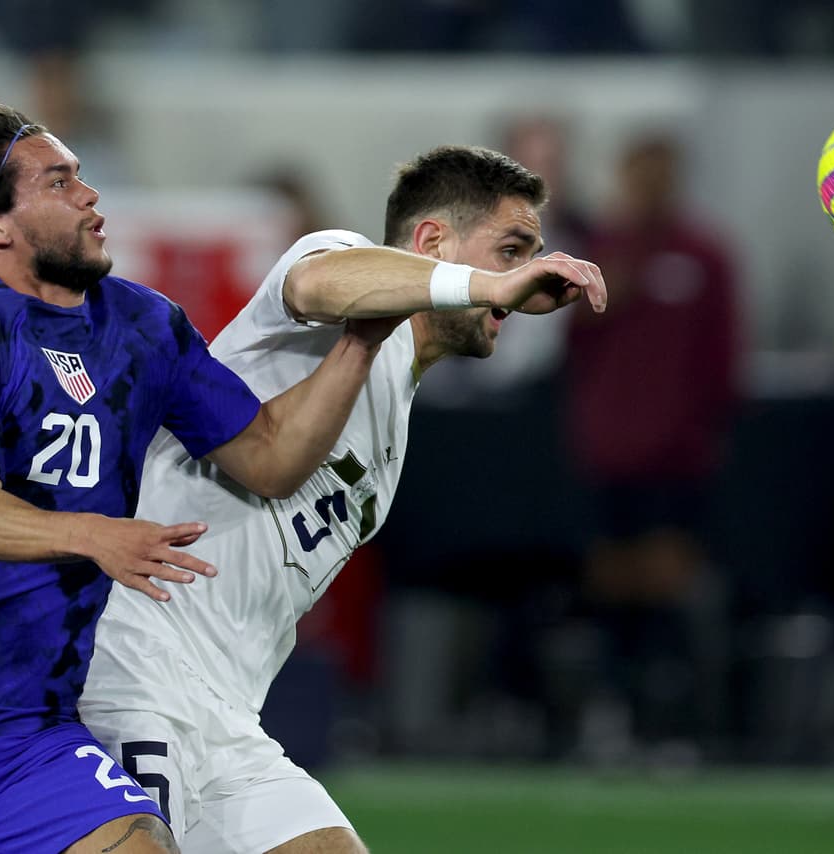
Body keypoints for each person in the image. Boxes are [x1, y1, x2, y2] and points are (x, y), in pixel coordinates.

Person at [0, 81, 405, 854]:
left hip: (33, 738)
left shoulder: (142, 323)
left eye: (81, 175)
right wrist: (97, 535)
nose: (91, 196)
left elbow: (270, 458)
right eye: (59, 182)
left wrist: (361, 342)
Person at [80, 144, 607, 853]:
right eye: (511, 250)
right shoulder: (338, 266)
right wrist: (486, 284)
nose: (523, 279)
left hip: (227, 713)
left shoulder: (395, 418)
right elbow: (322, 282)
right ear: (431, 242)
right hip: (133, 665)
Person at [559, 130, 741, 752]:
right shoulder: (597, 257)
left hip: (676, 458)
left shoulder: (705, 256)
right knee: (611, 584)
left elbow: (723, 360)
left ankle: (673, 723)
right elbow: (568, 349)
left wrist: (703, 436)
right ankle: (614, 715)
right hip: (607, 454)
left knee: (667, 584)